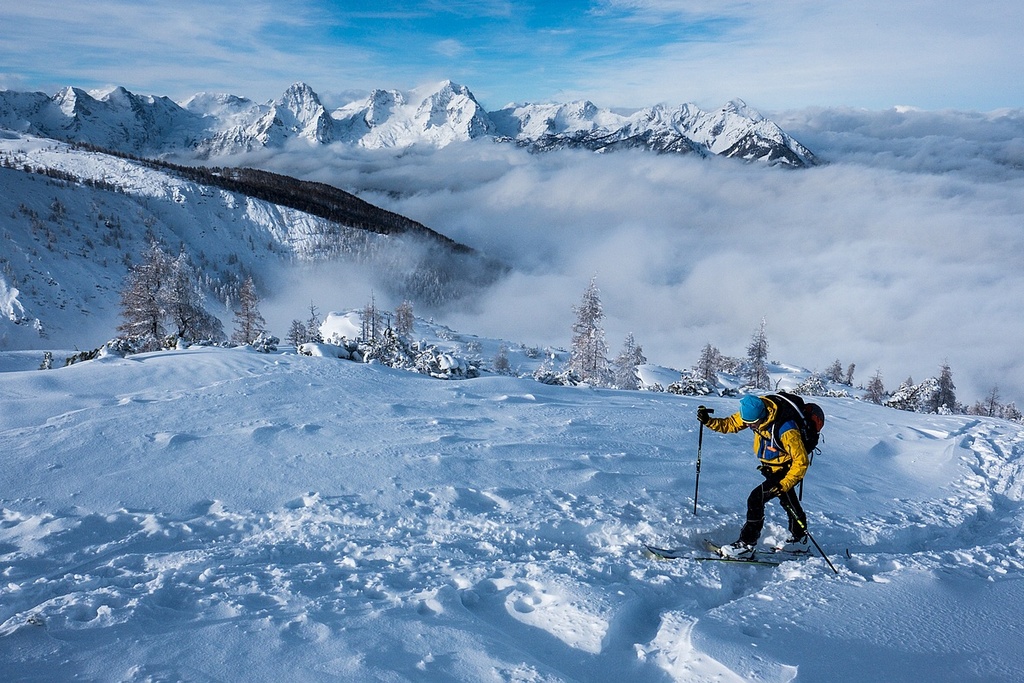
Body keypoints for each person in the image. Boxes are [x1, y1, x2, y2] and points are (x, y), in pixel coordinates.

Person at [697, 394, 809, 558]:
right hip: (770, 467)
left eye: (752, 424)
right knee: (788, 501)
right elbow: (731, 424)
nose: (750, 427)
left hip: (786, 469)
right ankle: (799, 540)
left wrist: (784, 483)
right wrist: (709, 421)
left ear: (762, 416)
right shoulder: (753, 412)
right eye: (748, 423)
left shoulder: (786, 429)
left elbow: (801, 461)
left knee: (756, 498)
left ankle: (747, 545)